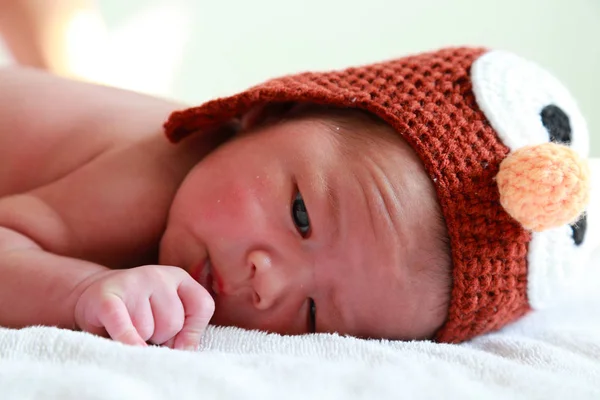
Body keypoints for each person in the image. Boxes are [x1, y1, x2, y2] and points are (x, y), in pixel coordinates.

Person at [0, 47, 591, 352]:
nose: (267, 283)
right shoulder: (157, 173)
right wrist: (78, 292)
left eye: (312, 314)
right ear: (272, 108)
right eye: (301, 214)